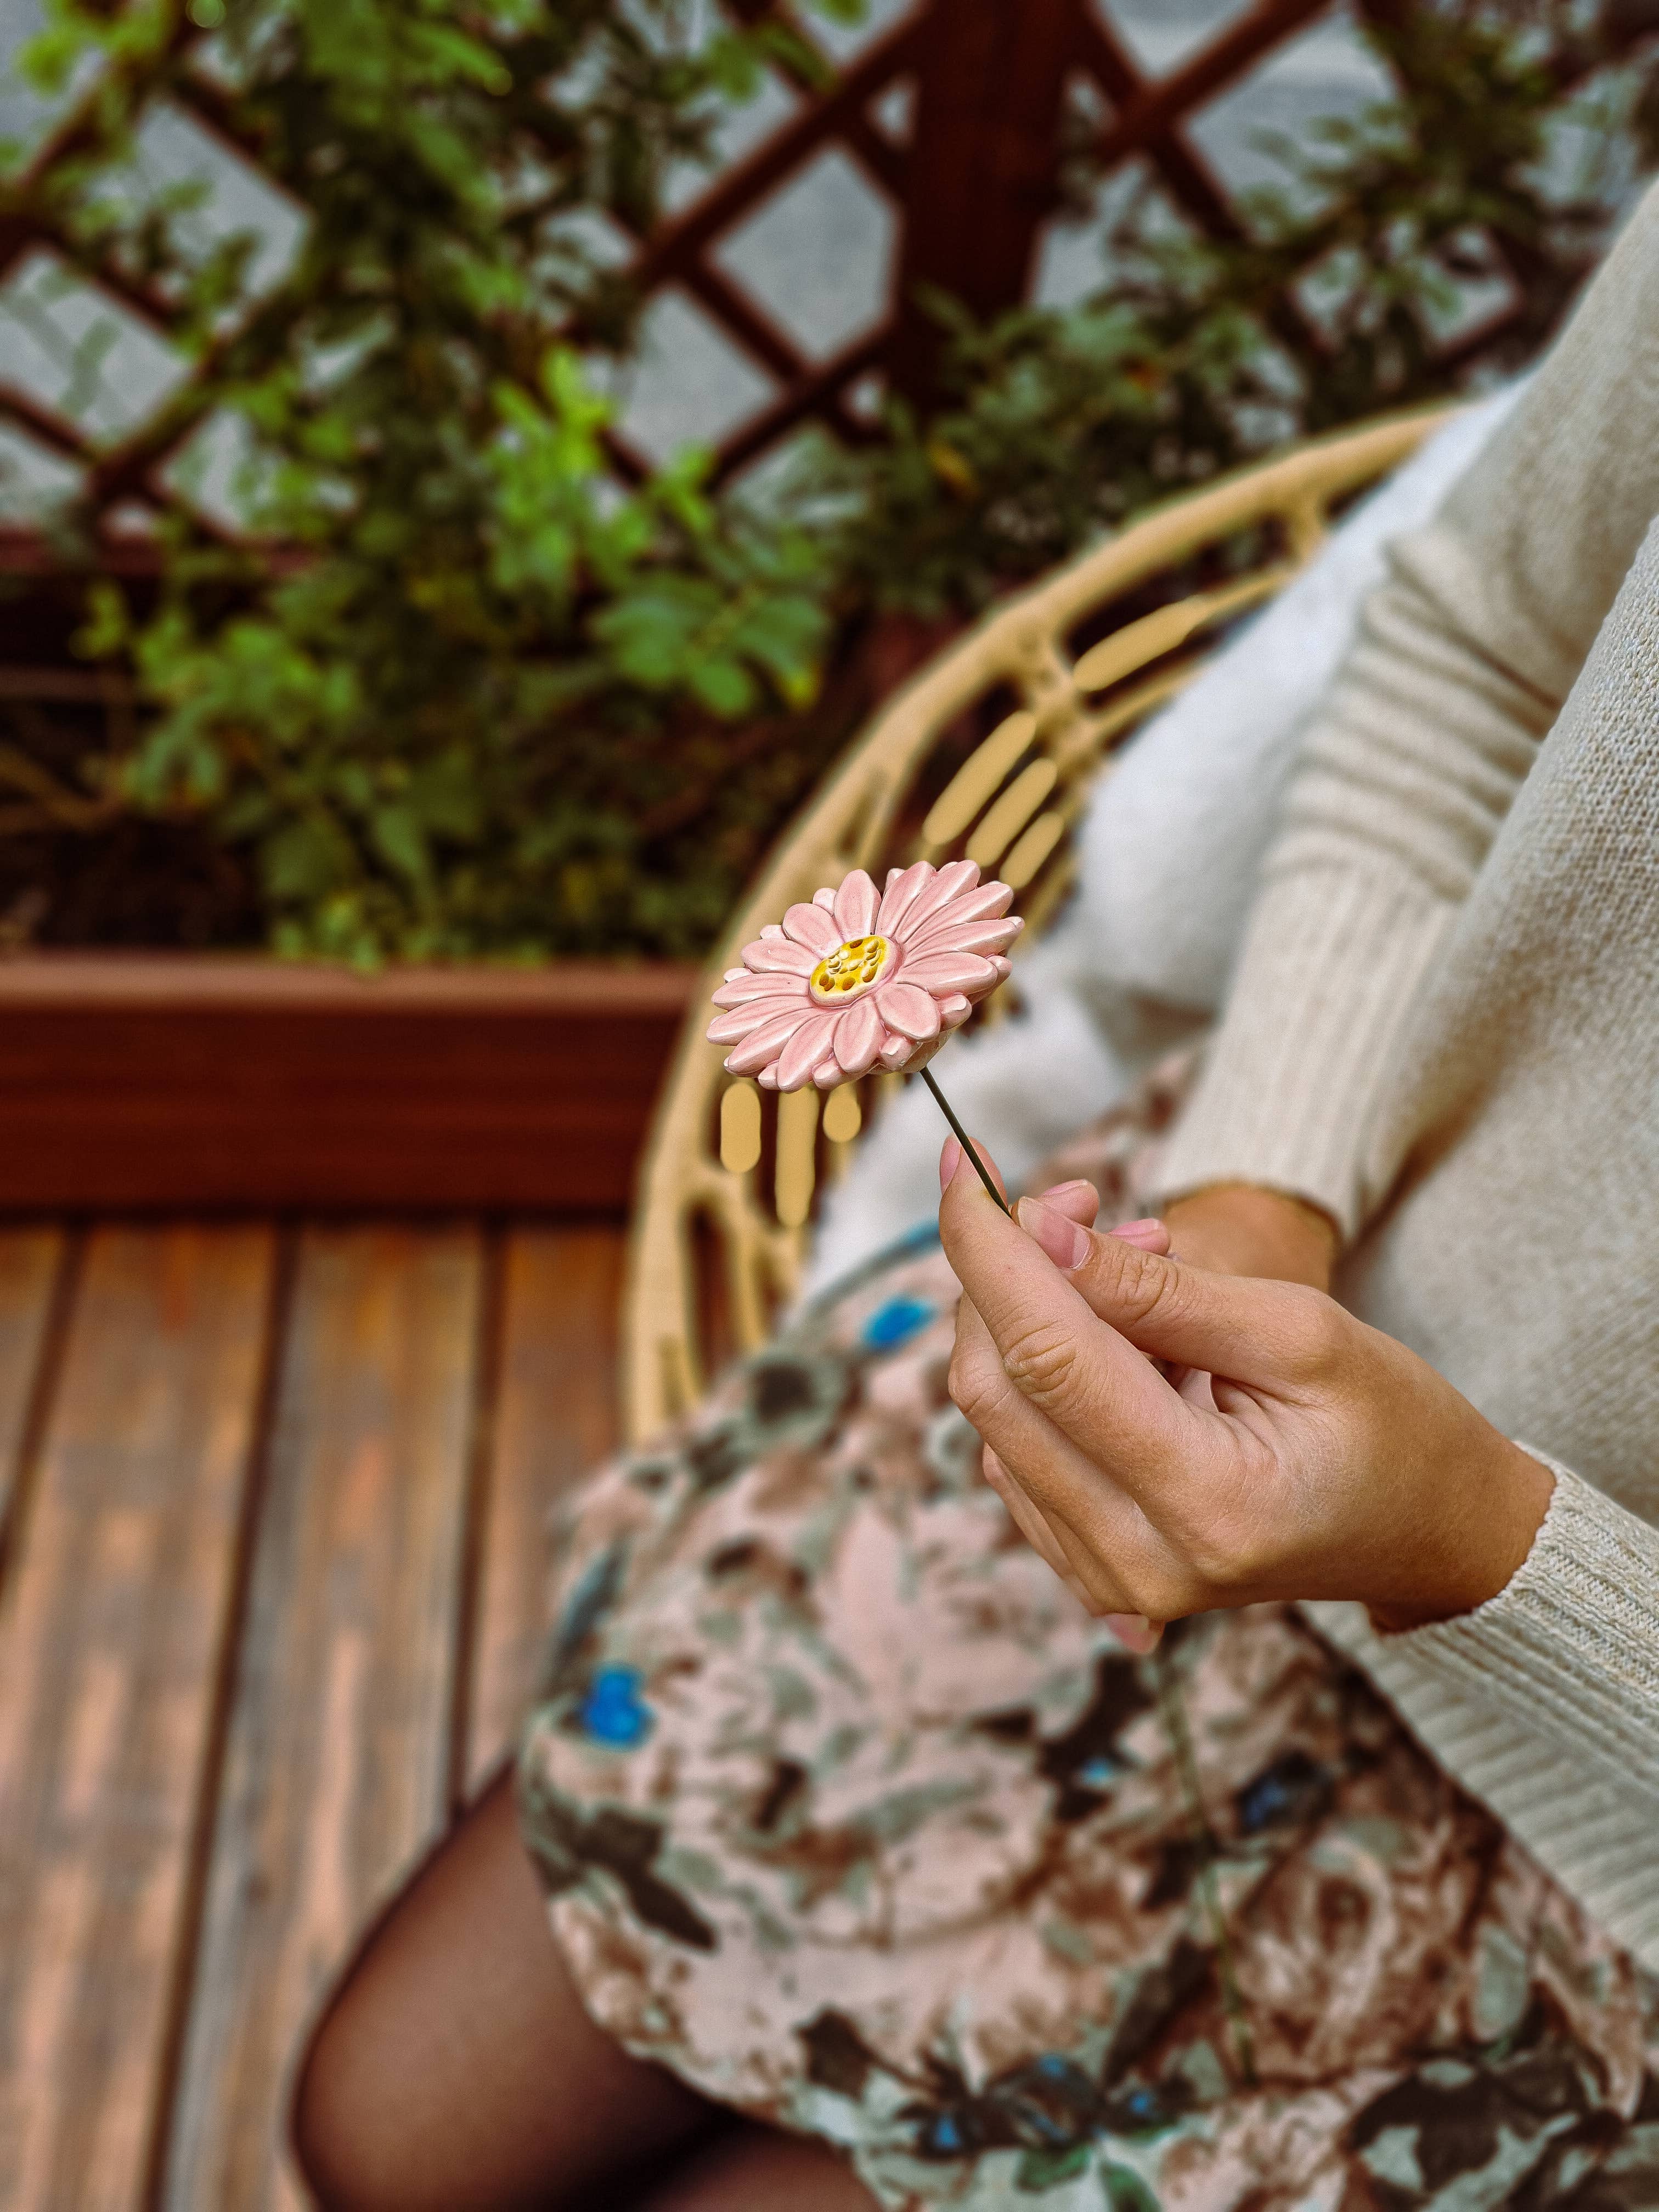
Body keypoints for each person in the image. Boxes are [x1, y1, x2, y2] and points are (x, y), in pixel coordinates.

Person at [290, 181, 1659, 2212]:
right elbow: (1479, 645)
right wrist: (1265, 1185)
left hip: (1584, 1850)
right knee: (388, 2131)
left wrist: (1476, 1546)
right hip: (1282, 1299)